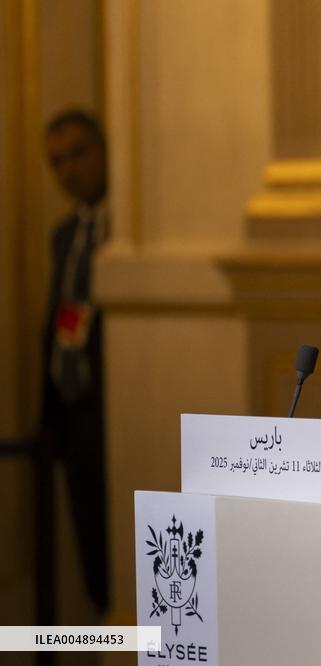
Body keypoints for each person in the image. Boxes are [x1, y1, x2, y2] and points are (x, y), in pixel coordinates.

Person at [40, 109, 109, 613]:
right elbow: (61, 322)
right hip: (75, 415)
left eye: (78, 154)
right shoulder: (65, 235)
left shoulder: (127, 231)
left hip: (118, 412)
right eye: (57, 162)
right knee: (91, 553)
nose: (68, 171)